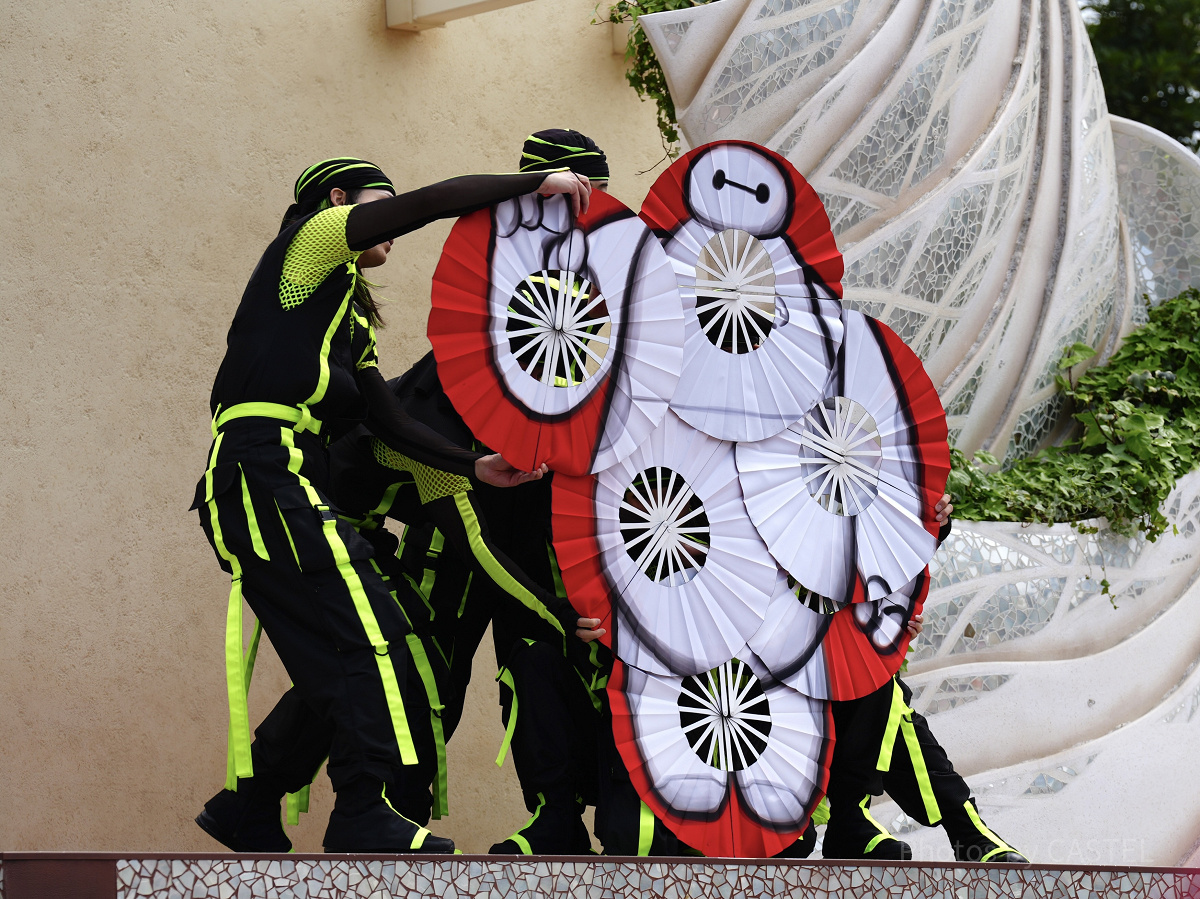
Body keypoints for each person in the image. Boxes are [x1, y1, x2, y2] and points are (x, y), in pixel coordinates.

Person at [192, 155, 591, 854]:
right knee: (370, 639)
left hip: (290, 480)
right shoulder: (309, 244)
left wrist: (476, 466)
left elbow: (389, 419)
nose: (393, 224)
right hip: (262, 470)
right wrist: (534, 182)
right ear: (339, 200)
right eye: (382, 205)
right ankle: (360, 811)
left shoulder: (350, 316)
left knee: (379, 640)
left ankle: (250, 805)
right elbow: (437, 200)